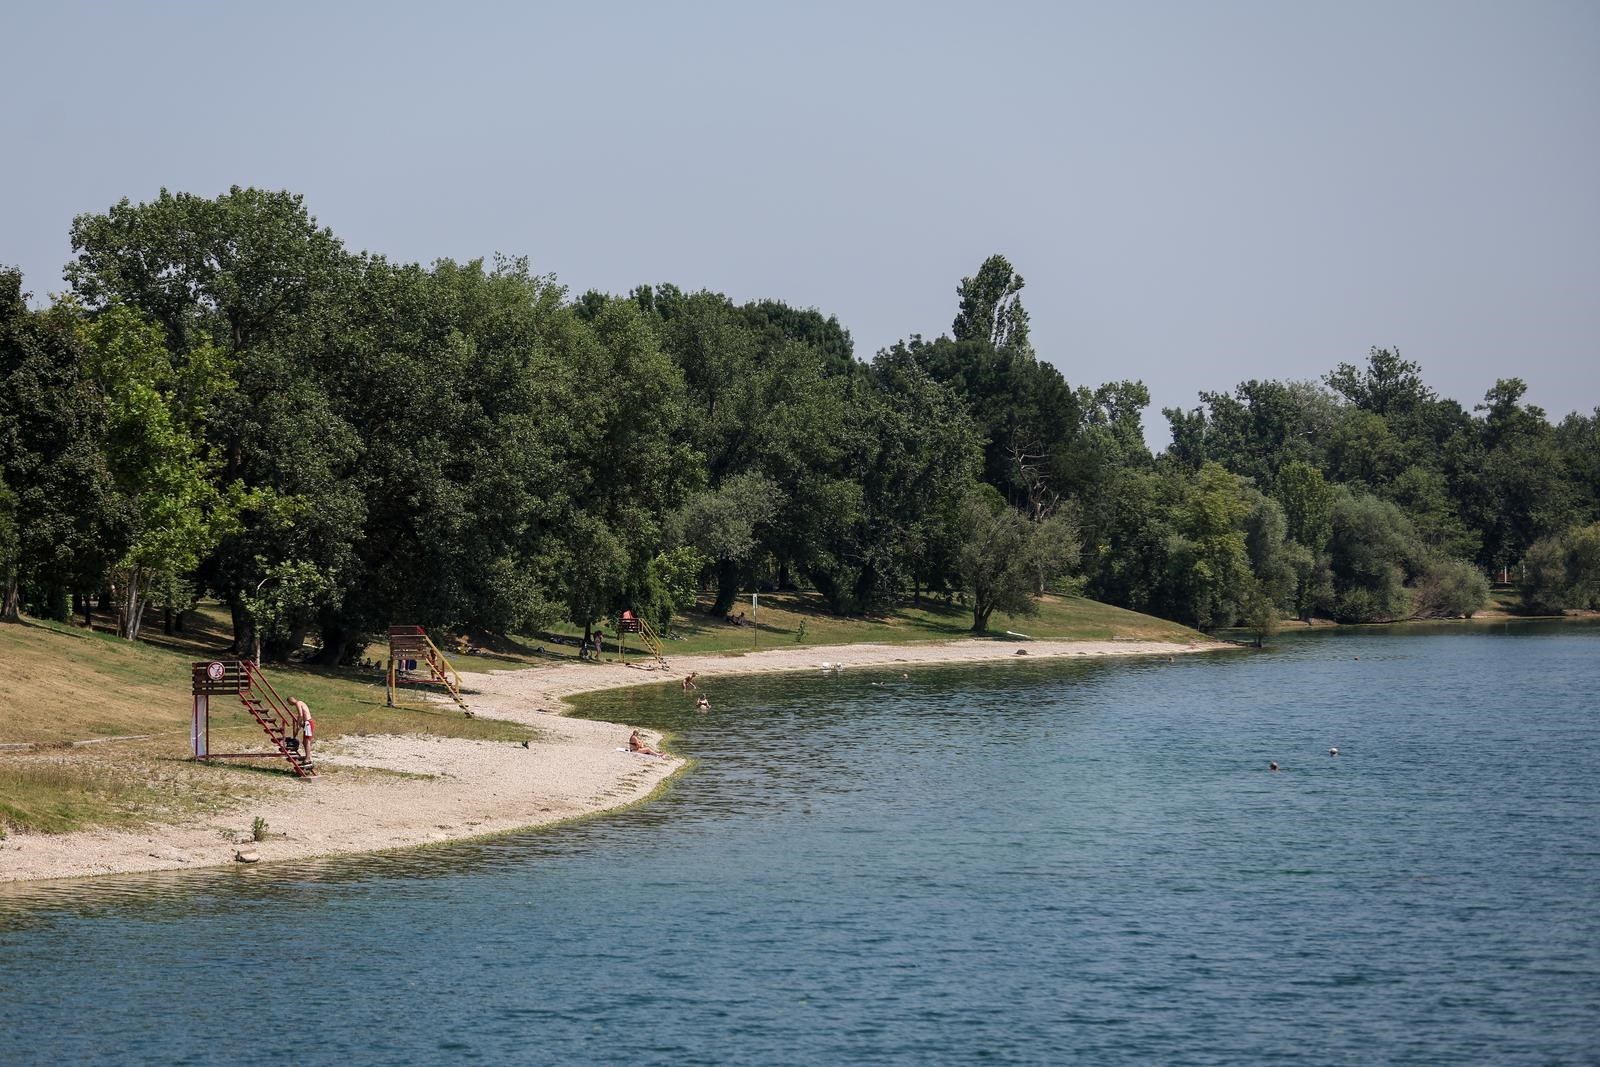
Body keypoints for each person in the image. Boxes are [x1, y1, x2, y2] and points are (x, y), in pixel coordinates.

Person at [290, 696, 313, 762]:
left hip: (308, 723)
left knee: (307, 741)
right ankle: (307, 756)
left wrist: (298, 724)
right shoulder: (301, 702)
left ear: (290, 701)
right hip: (307, 723)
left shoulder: (298, 703)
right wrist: (299, 723)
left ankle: (308, 758)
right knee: (304, 741)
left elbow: (300, 714)